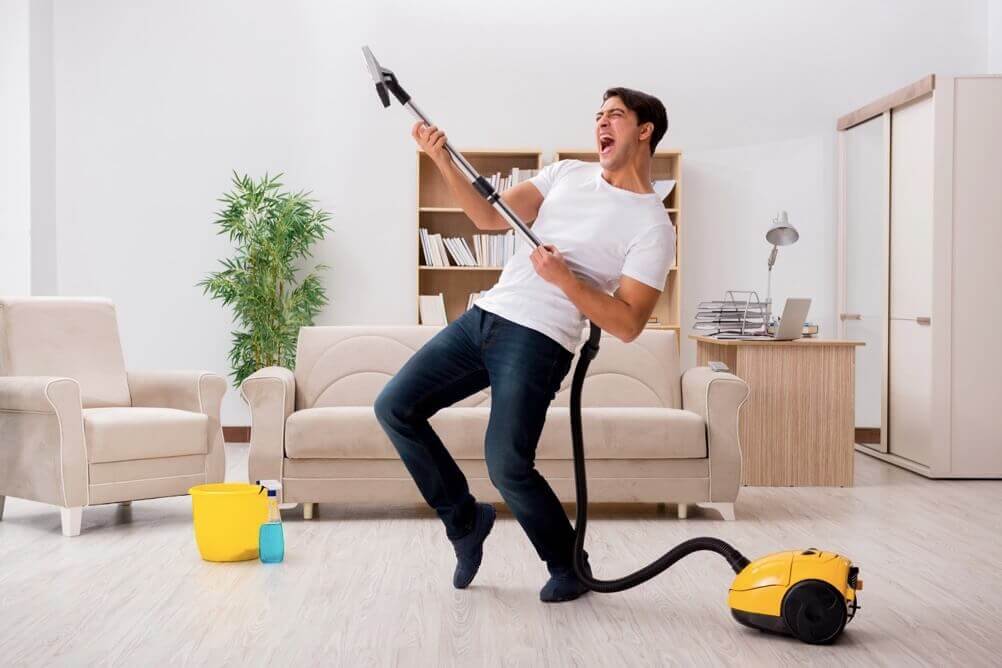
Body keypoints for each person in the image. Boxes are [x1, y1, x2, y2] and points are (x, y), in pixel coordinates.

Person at [374, 87, 675, 603]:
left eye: (615, 117)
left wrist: (566, 281)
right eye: (598, 115)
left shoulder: (652, 224)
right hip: (486, 316)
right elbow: (488, 217)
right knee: (394, 407)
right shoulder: (566, 174)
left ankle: (567, 565)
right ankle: (465, 522)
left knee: (507, 463)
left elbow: (628, 323)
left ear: (645, 131)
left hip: (540, 339)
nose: (601, 124)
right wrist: (440, 157)